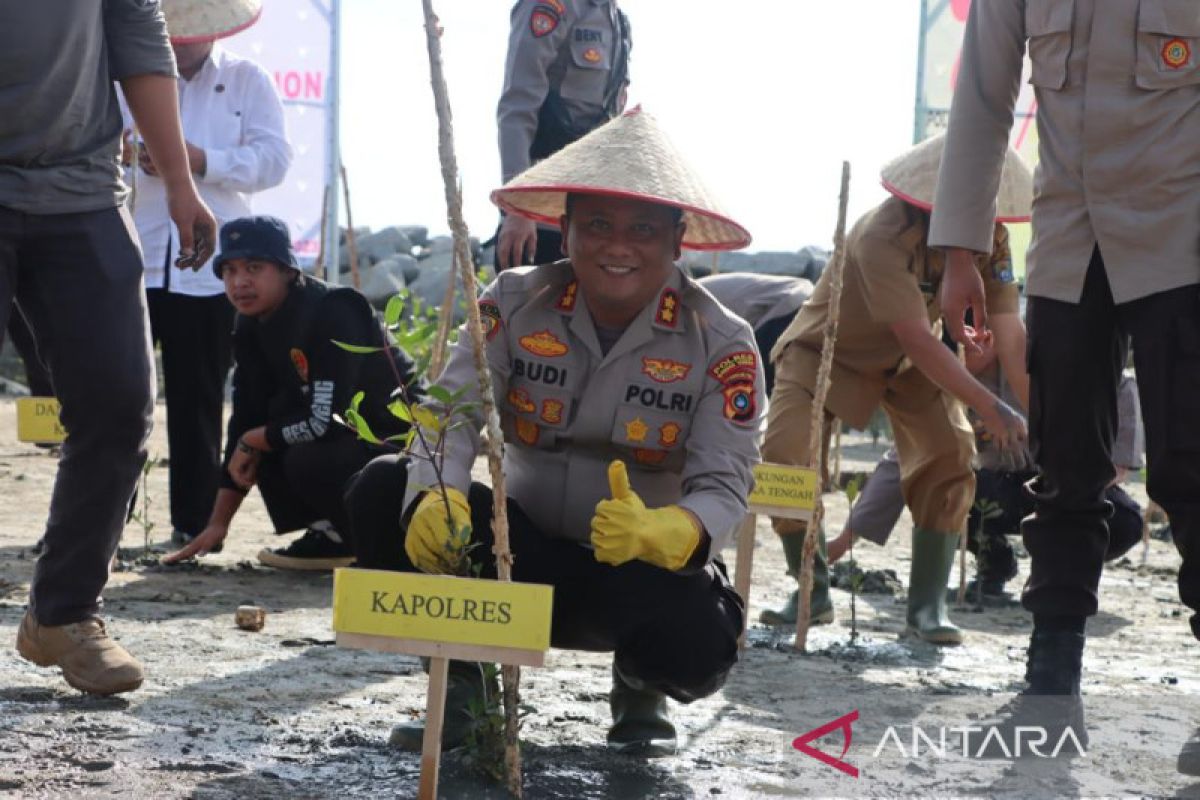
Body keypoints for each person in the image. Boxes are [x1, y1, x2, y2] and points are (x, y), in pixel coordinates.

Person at [346, 108, 758, 757]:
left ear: (678, 241)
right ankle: (463, 687)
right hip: (515, 556)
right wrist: (437, 492)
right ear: (564, 229)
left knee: (701, 634)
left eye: (643, 229)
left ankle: (641, 685)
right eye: (596, 224)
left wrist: (670, 531)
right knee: (381, 490)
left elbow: (726, 481)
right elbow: (450, 413)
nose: (617, 246)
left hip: (630, 576)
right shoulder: (512, 302)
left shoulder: (722, 342)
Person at [929, 0, 1200, 759]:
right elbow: (982, 99)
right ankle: (1049, 695)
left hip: (1182, 239)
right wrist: (960, 252)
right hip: (1069, 243)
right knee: (1063, 471)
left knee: (1190, 469)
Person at [6, 1, 217, 696]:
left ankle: (64, 613)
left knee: (121, 406)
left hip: (82, 192)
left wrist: (180, 182)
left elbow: (137, 37)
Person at [759, 134, 1032, 643]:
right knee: (785, 455)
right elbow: (914, 332)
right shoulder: (882, 234)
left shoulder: (992, 242)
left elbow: (1009, 333)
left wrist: (1042, 418)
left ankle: (927, 607)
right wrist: (988, 403)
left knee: (951, 452)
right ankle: (811, 589)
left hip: (908, 363)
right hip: (826, 350)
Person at [123, 0, 292, 552]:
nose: (181, 44)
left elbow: (274, 160)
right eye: (171, 34)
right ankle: (103, 517)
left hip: (211, 265)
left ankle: (192, 524)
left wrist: (199, 160)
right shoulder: (124, 77)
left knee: (198, 399)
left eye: (190, 34)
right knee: (118, 396)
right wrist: (129, 156)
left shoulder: (247, 79)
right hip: (135, 254)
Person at [162, 216, 422, 570]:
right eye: (230, 271)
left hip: (403, 450)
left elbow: (327, 421)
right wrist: (217, 525)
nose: (240, 282)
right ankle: (334, 535)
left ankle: (383, 541)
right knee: (263, 433)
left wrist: (255, 438)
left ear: (287, 269)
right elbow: (246, 418)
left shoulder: (333, 311)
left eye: (254, 267)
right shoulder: (250, 324)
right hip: (344, 443)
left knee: (291, 449)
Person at [826, 354, 1146, 599]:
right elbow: (903, 458)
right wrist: (843, 542)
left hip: (1071, 486)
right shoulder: (948, 384)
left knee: (1125, 520)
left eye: (985, 330)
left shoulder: (1052, 357)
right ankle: (994, 561)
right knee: (937, 487)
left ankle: (1066, 570)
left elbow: (1117, 461)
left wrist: (1060, 501)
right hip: (997, 489)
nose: (971, 344)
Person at [495, 0, 631, 270]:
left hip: (590, 212)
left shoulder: (617, 20)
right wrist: (518, 208)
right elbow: (518, 107)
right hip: (540, 211)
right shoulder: (550, 6)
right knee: (521, 307)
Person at [697, 273, 813, 396]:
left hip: (786, 306)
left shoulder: (682, 302)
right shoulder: (691, 291)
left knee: (754, 386)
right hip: (800, 298)